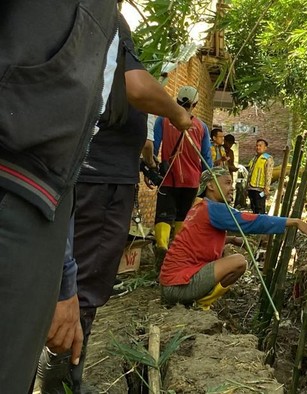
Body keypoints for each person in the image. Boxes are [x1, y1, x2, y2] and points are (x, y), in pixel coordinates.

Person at [35, 12, 195, 392]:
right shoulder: (107, 17)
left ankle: (57, 376)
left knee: (73, 281)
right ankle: (60, 380)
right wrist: (176, 113)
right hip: (101, 182)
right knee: (83, 287)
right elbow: (137, 87)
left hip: (93, 173)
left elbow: (117, 94)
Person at [0, 3, 120, 390]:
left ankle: (62, 376)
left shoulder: (107, 21)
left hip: (42, 200)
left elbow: (70, 159)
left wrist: (64, 277)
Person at [159, 167, 307, 309]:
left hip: (171, 283)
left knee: (227, 253)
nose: (232, 188)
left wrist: (231, 240)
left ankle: (197, 301)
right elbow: (251, 221)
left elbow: (199, 240)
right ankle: (202, 304)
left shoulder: (200, 207)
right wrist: (294, 222)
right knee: (239, 261)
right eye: (227, 183)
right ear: (211, 186)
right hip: (179, 285)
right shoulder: (214, 209)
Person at [153, 86, 214, 261]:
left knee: (164, 213)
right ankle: (175, 252)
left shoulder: (163, 121)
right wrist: (207, 183)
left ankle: (162, 246)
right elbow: (206, 159)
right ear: (195, 104)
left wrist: (152, 167)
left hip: (168, 177)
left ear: (177, 100)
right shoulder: (201, 126)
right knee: (183, 215)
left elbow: (155, 146)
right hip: (192, 181)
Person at [247, 139, 274, 214]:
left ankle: (261, 224)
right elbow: (250, 173)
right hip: (251, 187)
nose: (258, 147)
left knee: (260, 208)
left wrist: (267, 188)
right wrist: (247, 187)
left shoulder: (267, 158)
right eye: (257, 145)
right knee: (253, 207)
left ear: (265, 148)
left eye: (260, 146)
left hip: (260, 189)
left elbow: (269, 174)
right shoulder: (254, 158)